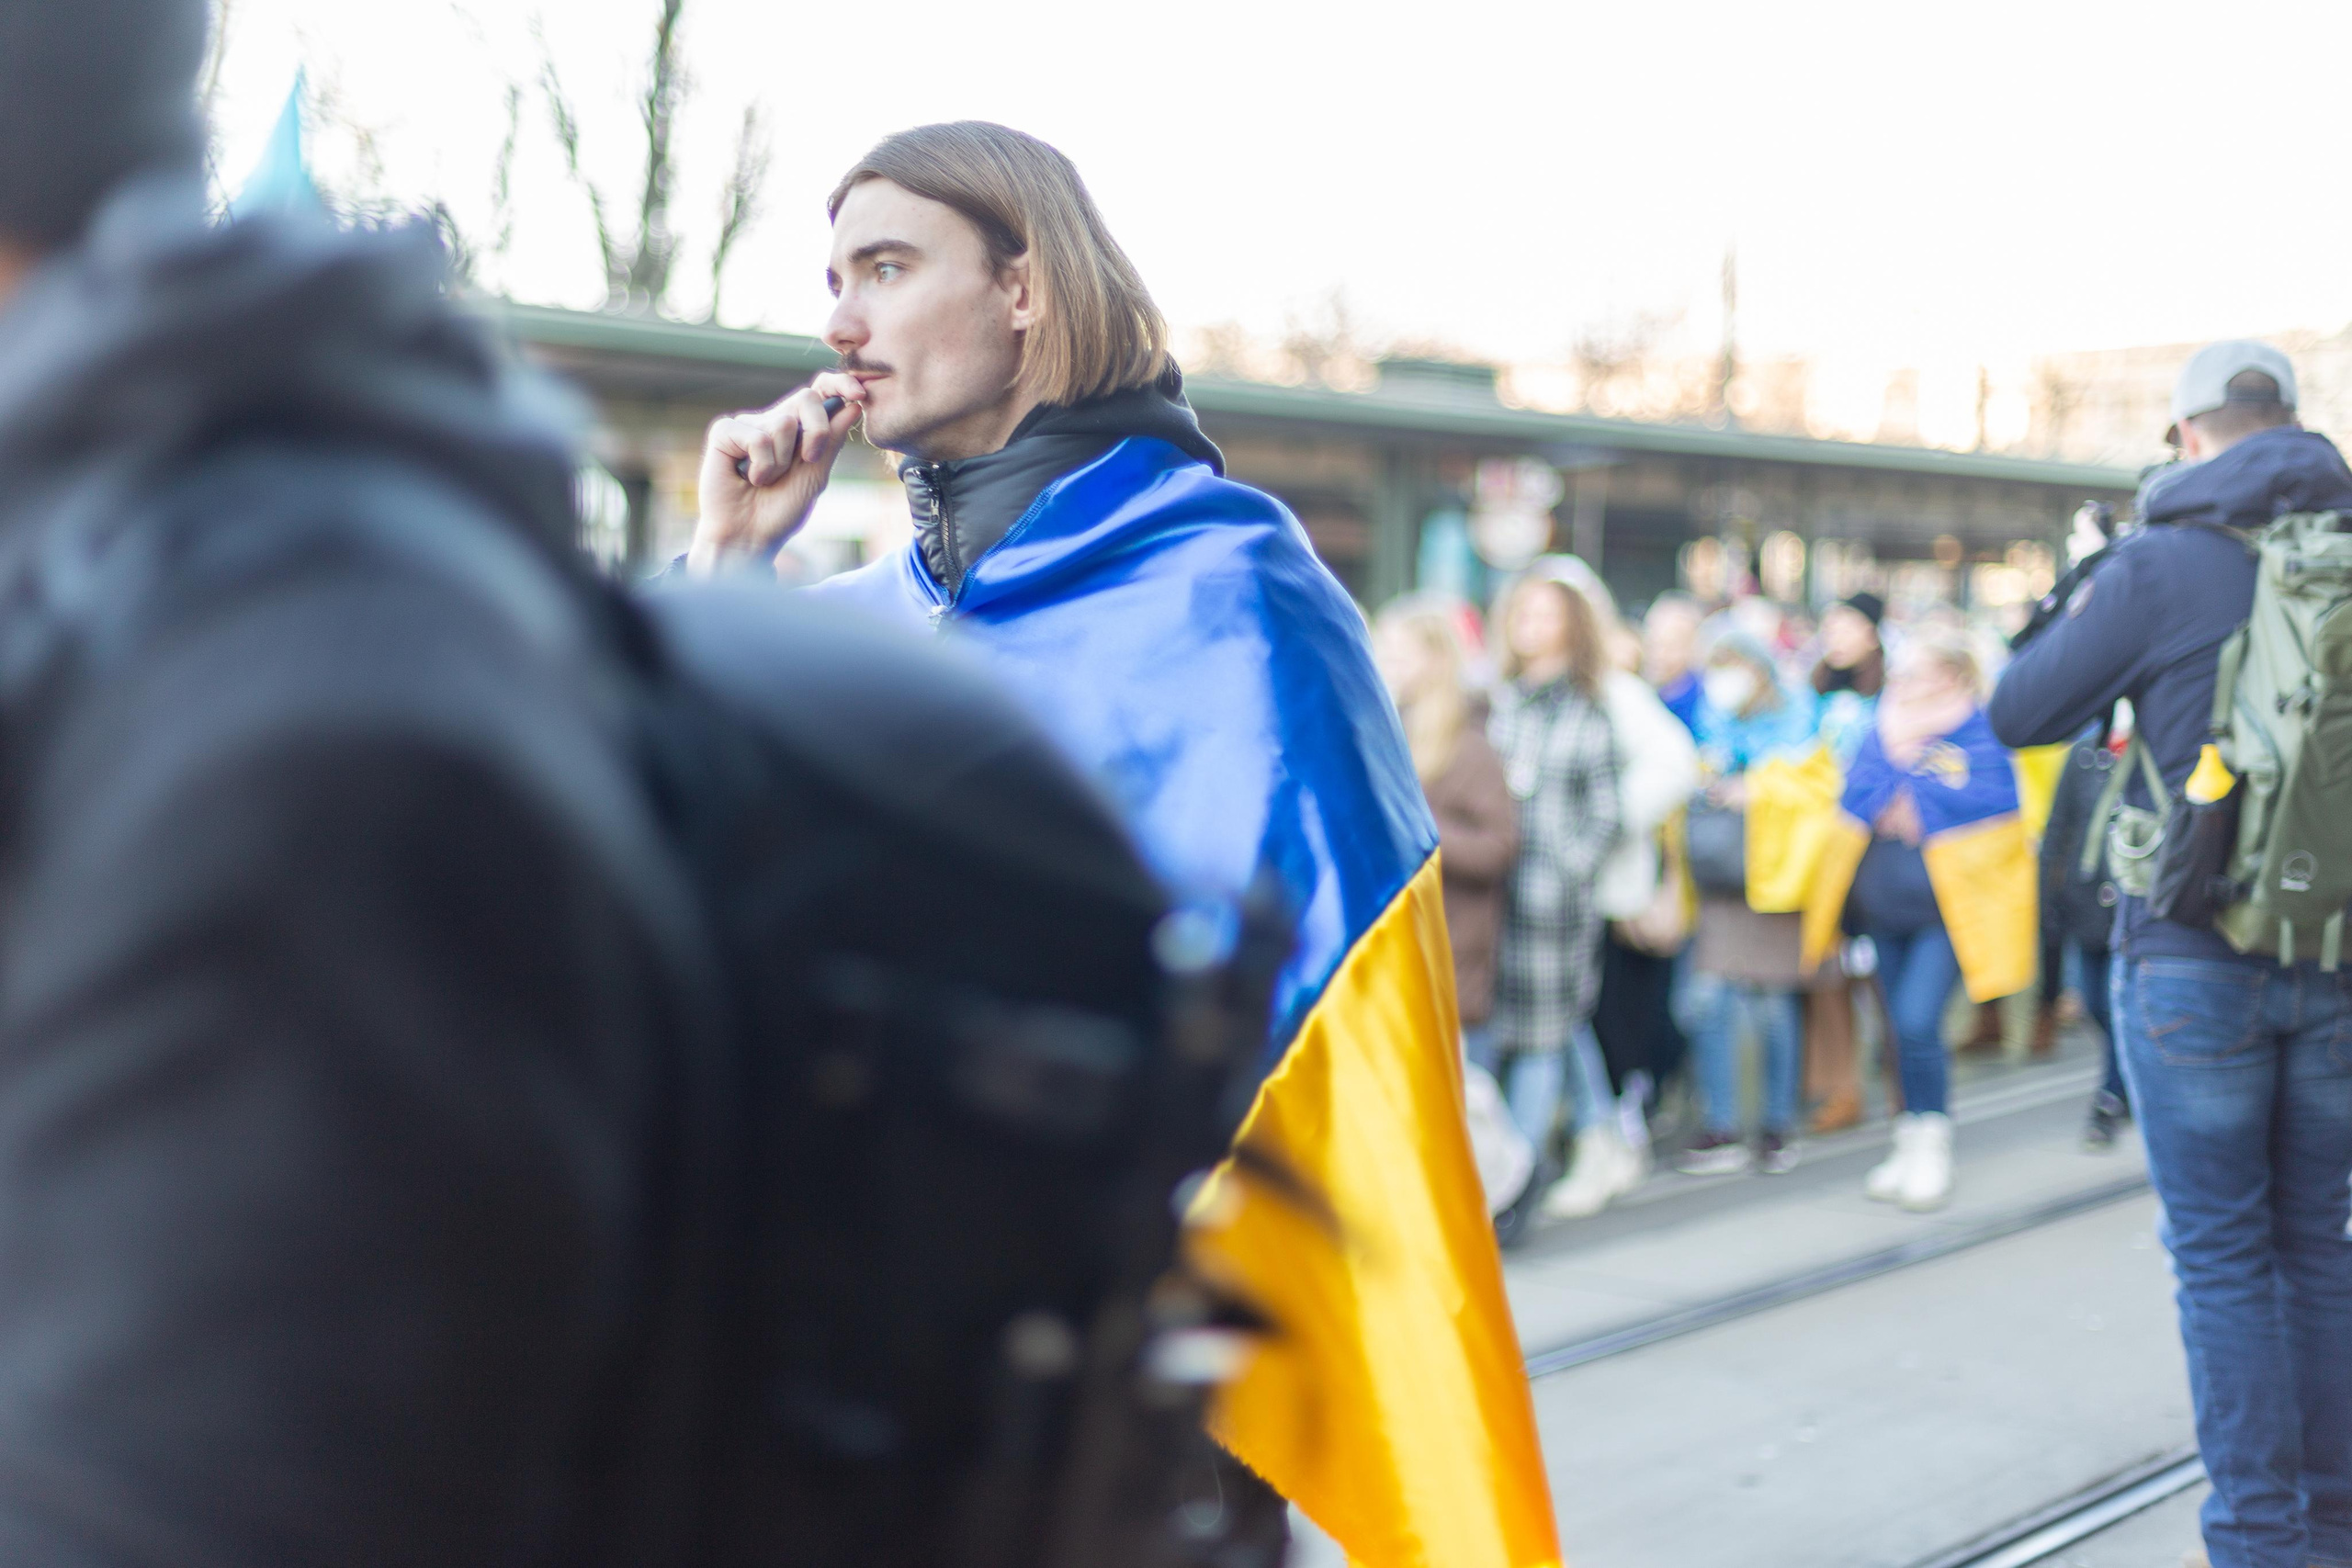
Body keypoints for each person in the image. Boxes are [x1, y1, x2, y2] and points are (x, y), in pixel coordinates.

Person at [686, 122, 1557, 1565]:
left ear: (1023, 287)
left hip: (1137, 1400)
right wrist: (726, 571)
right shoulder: (837, 624)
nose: (840, 320)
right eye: (834, 277)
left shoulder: (1239, 586)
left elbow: (1331, 1048)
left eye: (888, 267)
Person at [1989, 339, 2352, 1568]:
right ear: (2292, 424)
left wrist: (2086, 584)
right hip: (2337, 950)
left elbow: (2017, 711)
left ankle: (2261, 1541)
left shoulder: (2158, 563)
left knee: (2224, 1259)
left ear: (2190, 433)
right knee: (2319, 1239)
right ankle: (2338, 1521)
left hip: (2191, 954)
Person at [1533, 557, 1699, 1217]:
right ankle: (1591, 1139)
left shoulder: (1613, 689)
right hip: (1543, 891)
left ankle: (1604, 1142)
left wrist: (1598, 829)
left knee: (1593, 1024)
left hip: (1597, 891)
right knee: (1570, 1023)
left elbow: (1673, 764)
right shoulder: (1530, 687)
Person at [1373, 602, 1532, 1217]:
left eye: (1399, 653)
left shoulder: (1468, 747)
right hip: (1402, 938)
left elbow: (1498, 845)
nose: (1387, 665)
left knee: (1460, 1086)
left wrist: (1419, 828)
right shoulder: (1393, 728)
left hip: (1454, 940)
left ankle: (1504, 1183)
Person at [1487, 574, 1623, 1228]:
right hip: (1492, 900)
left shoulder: (1587, 706)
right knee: (1504, 1033)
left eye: (1545, 612)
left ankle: (1514, 1179)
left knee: (1543, 1040)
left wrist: (1565, 871)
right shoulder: (1498, 701)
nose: (1530, 623)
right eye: (1523, 610)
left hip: (1552, 907)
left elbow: (1604, 815)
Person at [1841, 634, 1991, 1211]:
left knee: (1918, 1018)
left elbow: (1994, 798)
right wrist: (1905, 789)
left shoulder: (1978, 729)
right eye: (1901, 675)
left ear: (1952, 677)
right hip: (1882, 905)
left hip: (1946, 910)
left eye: (1918, 675)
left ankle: (1933, 1138)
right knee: (1892, 1027)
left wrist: (1919, 801)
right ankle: (1906, 1135)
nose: (1904, 686)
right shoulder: (1879, 729)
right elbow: (1853, 793)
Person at [1679, 626, 1818, 1175]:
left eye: (1733, 664)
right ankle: (1722, 1124)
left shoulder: (1801, 717)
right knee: (1709, 999)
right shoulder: (1710, 722)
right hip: (1722, 879)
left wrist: (1757, 791)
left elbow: (1816, 788)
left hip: (1775, 882)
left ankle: (1777, 1125)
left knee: (1771, 1005)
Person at [1804, 592, 1886, 1133]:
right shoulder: (1810, 693)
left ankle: (1900, 1075)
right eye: (1829, 625)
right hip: (1820, 849)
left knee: (1877, 972)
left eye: (1846, 625)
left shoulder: (1892, 694)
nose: (1835, 636)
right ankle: (1840, 1086)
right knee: (1827, 972)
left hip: (1875, 853)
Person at [1643, 590, 1706, 733]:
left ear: (1692, 649)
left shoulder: (1705, 708)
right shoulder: (1643, 696)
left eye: (1670, 647)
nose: (1658, 655)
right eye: (1653, 644)